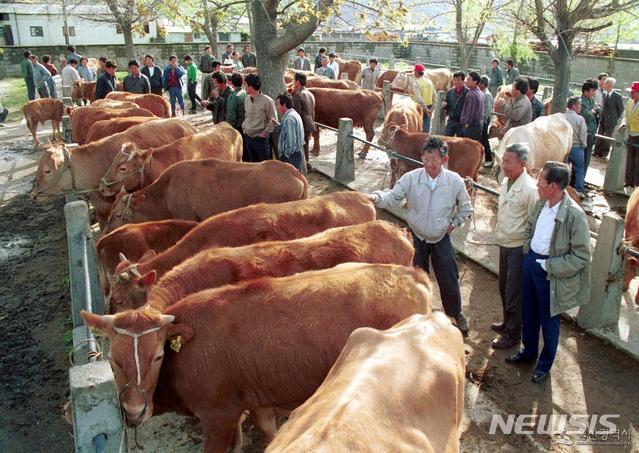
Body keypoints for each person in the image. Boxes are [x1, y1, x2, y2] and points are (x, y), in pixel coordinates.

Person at [366, 136, 473, 333]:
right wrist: (375, 197)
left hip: (441, 237)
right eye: (426, 159)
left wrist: (452, 225)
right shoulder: (411, 178)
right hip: (416, 237)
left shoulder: (454, 181)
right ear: (421, 157)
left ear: (444, 160)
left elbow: (466, 209)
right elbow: (392, 196)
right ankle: (418, 315)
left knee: (448, 276)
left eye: (434, 160)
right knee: (415, 277)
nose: (429, 164)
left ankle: (456, 314)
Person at [506, 161, 591, 384]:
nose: (537, 184)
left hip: (552, 272)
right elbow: (529, 227)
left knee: (549, 320)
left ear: (553, 185)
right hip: (532, 262)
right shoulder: (541, 204)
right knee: (529, 313)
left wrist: (549, 266)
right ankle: (528, 352)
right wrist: (527, 251)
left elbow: (582, 256)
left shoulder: (574, 215)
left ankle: (544, 365)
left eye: (541, 180)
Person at [492, 143, 539, 349]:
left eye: (509, 162)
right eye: (504, 160)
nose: (504, 165)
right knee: (504, 287)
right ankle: (507, 322)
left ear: (522, 163)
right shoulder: (507, 182)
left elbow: (534, 220)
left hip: (518, 247)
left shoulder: (529, 189)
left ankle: (513, 334)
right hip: (505, 242)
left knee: (514, 292)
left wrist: (527, 250)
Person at [242, 74, 277, 162]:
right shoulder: (246, 99)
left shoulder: (268, 101)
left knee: (265, 167)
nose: (244, 87)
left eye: (245, 85)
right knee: (254, 166)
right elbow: (246, 115)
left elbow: (274, 120)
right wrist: (244, 127)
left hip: (260, 140)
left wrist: (263, 134)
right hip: (248, 137)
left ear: (250, 87)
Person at [273, 94, 306, 174]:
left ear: (284, 105)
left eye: (278, 105)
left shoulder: (289, 119)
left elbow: (291, 142)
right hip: (295, 154)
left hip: (291, 156)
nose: (277, 108)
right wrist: (278, 125)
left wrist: (285, 156)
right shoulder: (293, 114)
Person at [593, 77, 624, 158]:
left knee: (608, 136)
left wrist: (616, 118)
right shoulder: (604, 94)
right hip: (603, 118)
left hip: (611, 120)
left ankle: (604, 153)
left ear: (609, 85)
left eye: (605, 83)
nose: (604, 85)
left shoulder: (617, 96)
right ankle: (597, 151)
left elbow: (621, 109)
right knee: (600, 134)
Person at [564, 96, 588, 196]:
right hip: (577, 147)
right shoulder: (580, 119)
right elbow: (583, 134)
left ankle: (563, 187)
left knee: (564, 169)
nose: (580, 107)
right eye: (579, 104)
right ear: (574, 106)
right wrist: (584, 145)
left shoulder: (562, 117)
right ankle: (579, 190)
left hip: (564, 147)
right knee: (579, 170)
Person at [291, 72, 316, 164]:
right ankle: (307, 165)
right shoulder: (310, 94)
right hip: (309, 124)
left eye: (294, 80)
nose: (293, 82)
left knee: (300, 149)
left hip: (301, 126)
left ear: (297, 81)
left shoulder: (298, 94)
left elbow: (296, 114)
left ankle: (303, 168)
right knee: (305, 148)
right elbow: (313, 112)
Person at [579, 79, 601, 180]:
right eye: (592, 91)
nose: (593, 93)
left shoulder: (591, 101)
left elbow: (599, 109)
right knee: (582, 157)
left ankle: (583, 177)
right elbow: (587, 115)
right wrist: (593, 111)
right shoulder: (581, 102)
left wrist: (594, 110)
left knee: (587, 157)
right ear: (586, 91)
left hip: (591, 132)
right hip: (585, 133)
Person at [621, 81, 639, 187]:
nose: (631, 94)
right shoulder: (629, 102)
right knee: (630, 159)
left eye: (634, 92)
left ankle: (637, 185)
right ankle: (628, 182)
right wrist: (623, 123)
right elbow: (626, 116)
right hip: (631, 134)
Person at [442, 71, 468, 137]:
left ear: (463, 80)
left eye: (458, 80)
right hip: (451, 120)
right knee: (446, 140)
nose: (456, 82)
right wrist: (445, 105)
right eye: (454, 80)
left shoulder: (468, 93)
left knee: (460, 142)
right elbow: (447, 105)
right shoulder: (450, 92)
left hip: (462, 122)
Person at [411, 63, 435, 133]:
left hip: (418, 107)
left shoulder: (416, 83)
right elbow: (435, 96)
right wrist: (431, 108)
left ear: (416, 72)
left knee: (416, 126)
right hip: (429, 106)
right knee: (426, 128)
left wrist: (426, 109)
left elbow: (419, 99)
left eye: (414, 71)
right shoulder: (429, 82)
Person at [460, 71, 484, 141]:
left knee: (467, 147)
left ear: (475, 81)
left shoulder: (471, 94)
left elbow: (469, 111)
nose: (466, 81)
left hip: (471, 126)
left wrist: (466, 124)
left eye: (469, 79)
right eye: (467, 79)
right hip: (479, 124)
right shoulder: (480, 92)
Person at [226, 72, 247, 149]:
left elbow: (231, 116)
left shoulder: (233, 96)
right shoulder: (245, 93)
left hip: (237, 127)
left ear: (231, 82)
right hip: (246, 125)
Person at [479, 75, 494, 167]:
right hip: (480, 119)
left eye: (479, 83)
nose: (478, 85)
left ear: (483, 84)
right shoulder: (481, 92)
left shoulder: (487, 95)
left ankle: (489, 158)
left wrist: (482, 121)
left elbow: (487, 110)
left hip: (483, 120)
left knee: (484, 139)